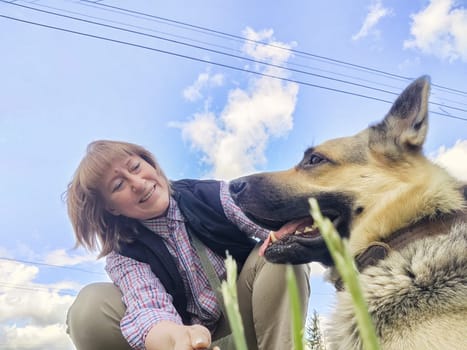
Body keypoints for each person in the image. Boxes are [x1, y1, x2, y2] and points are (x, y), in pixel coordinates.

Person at [65, 140, 310, 350]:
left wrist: (297, 229)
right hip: (182, 340)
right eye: (118, 185)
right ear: (111, 207)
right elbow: (149, 310)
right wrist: (179, 338)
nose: (138, 183)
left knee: (281, 249)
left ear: (150, 163)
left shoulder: (212, 195)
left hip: (248, 325)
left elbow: (267, 222)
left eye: (136, 167)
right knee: (90, 307)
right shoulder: (125, 255)